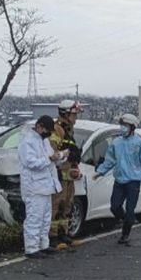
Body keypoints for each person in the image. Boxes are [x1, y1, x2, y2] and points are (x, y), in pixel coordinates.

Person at [94, 113, 141, 245]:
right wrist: (100, 172)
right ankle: (127, 219)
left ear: (132, 127)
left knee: (130, 208)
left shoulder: (140, 143)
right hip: (119, 181)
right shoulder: (116, 143)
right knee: (115, 207)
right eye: (122, 125)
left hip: (133, 182)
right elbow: (110, 160)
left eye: (125, 125)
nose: (122, 128)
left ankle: (125, 234)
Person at [19, 115, 63, 258]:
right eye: (46, 130)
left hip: (45, 185)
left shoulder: (43, 141)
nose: (48, 133)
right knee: (34, 218)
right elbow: (31, 163)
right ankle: (31, 248)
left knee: (45, 218)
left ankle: (43, 245)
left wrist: (60, 156)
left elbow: (51, 160)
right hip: (34, 186)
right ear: (39, 126)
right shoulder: (28, 141)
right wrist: (49, 159)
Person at [49, 99, 83, 248]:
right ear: (65, 113)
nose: (76, 118)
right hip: (59, 175)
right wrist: (67, 154)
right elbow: (53, 152)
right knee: (57, 205)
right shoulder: (57, 129)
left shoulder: (69, 130)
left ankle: (64, 234)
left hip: (68, 175)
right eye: (74, 114)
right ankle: (53, 238)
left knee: (67, 205)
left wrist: (75, 160)